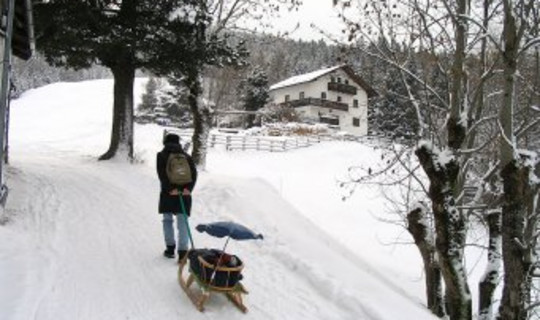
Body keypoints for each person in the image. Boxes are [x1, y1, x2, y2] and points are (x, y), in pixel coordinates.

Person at [156, 133, 197, 262]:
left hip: (168, 193)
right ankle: (183, 253)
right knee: (182, 222)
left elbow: (162, 174)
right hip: (184, 194)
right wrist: (188, 189)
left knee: (167, 220)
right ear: (178, 142)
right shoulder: (186, 156)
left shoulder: (161, 155)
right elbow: (194, 174)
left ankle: (170, 249)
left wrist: (170, 189)